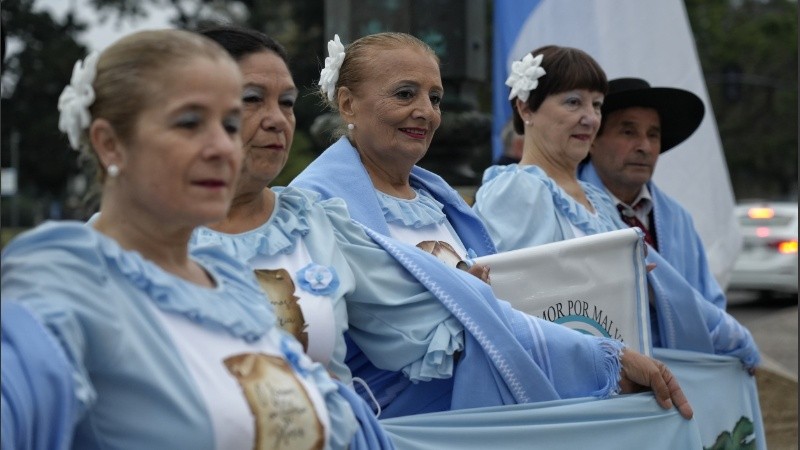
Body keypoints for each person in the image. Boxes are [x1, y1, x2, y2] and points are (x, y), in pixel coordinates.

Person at [1, 29, 392, 450]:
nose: (223, 148)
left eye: (228, 125)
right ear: (110, 144)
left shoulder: (221, 277)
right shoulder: (67, 274)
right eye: (189, 122)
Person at [291, 32, 693, 419]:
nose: (426, 112)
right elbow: (422, 332)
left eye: (435, 98)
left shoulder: (436, 199)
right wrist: (605, 358)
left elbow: (502, 300)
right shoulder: (322, 203)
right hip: (404, 423)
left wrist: (607, 279)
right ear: (347, 105)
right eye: (404, 94)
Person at [471, 46, 759, 370]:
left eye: (596, 105)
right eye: (573, 102)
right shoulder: (519, 189)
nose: (589, 117)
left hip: (614, 381)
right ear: (526, 108)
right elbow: (517, 306)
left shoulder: (597, 200)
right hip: (566, 382)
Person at [578, 77, 727, 310]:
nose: (644, 147)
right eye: (628, 132)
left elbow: (711, 305)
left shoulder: (678, 220)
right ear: (593, 140)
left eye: (653, 135)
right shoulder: (567, 208)